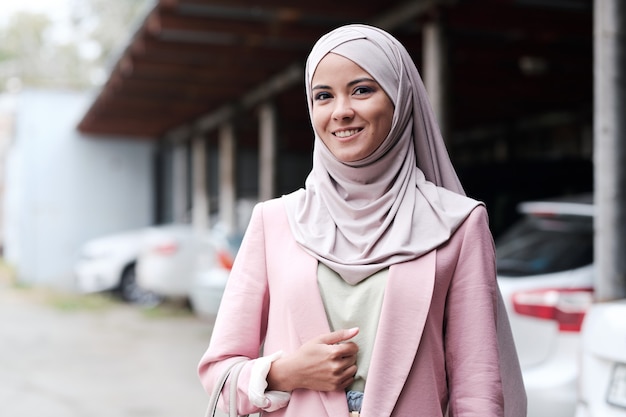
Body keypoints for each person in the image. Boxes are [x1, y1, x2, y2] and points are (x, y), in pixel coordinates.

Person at [198, 24, 527, 417]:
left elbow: (477, 389)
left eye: (361, 90)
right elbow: (218, 374)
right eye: (323, 96)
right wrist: (285, 373)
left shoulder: (457, 224)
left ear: (400, 99)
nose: (341, 111)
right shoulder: (274, 222)